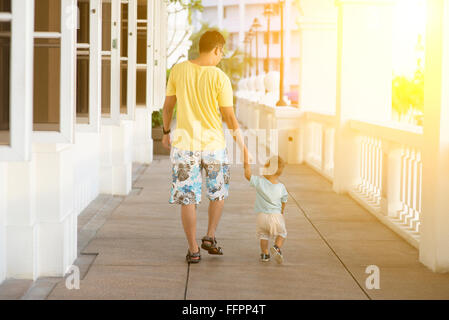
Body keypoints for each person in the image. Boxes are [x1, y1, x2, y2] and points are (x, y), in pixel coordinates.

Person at [161, 30, 250, 263]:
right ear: (217, 49)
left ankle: (193, 250)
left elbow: (168, 106)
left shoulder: (178, 70)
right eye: (222, 52)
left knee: (188, 199)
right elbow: (230, 119)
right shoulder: (220, 78)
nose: (221, 56)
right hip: (213, 146)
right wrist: (245, 149)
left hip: (184, 145)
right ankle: (210, 235)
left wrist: (166, 132)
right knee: (217, 193)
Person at [244, 156, 288, 264]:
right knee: (282, 233)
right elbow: (284, 201)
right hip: (276, 216)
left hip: (262, 217)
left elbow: (248, 175)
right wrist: (281, 211)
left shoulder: (260, 182)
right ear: (279, 173)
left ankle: (264, 254)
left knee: (263, 235)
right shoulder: (281, 187)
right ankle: (277, 247)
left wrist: (247, 164)